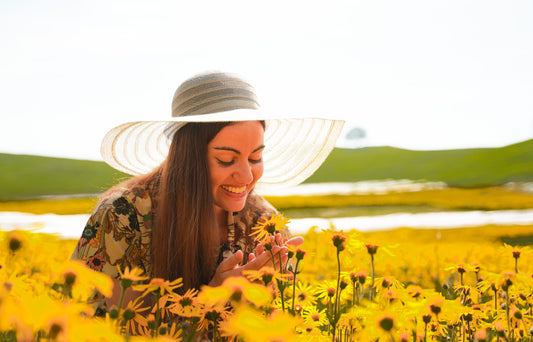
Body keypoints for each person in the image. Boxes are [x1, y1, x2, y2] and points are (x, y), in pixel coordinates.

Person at [72, 71, 344, 311]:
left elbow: (280, 332)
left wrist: (274, 301)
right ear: (188, 157)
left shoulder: (265, 222)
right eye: (227, 160)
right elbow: (96, 334)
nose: (247, 177)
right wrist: (209, 301)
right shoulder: (122, 218)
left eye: (255, 157)